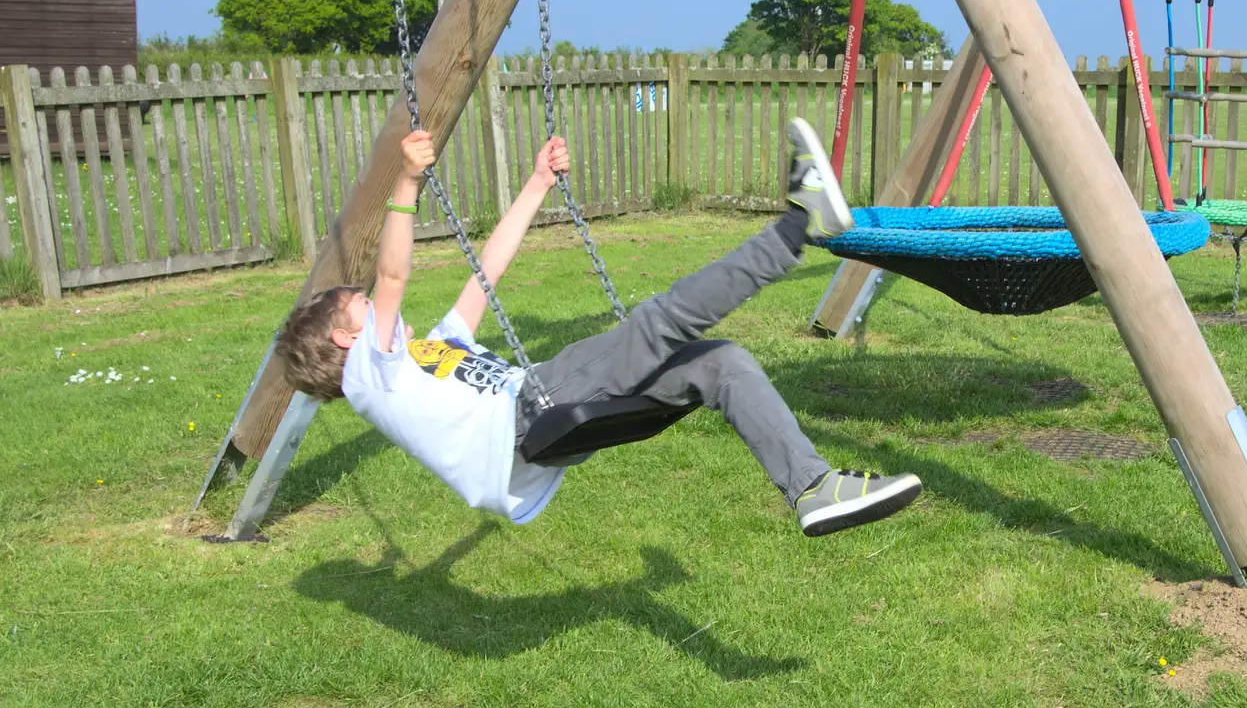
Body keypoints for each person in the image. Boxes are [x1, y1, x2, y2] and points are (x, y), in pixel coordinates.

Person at [277, 119, 922, 537]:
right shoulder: (371, 375)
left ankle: (813, 486)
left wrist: (535, 184)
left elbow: (485, 272)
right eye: (355, 305)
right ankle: (796, 228)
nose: (372, 301)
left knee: (719, 363)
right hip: (533, 414)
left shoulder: (427, 353)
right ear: (343, 337)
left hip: (544, 418)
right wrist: (406, 183)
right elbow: (391, 277)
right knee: (660, 322)